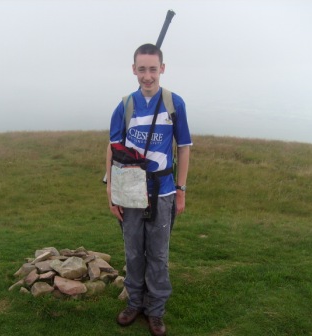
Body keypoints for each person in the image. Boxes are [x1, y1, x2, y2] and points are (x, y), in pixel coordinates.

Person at [105, 43, 192, 336]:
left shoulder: (173, 103)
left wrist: (180, 189)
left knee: (158, 254)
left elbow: (184, 148)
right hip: (129, 193)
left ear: (162, 69)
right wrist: (111, 193)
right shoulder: (125, 105)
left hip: (164, 191)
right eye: (141, 69)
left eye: (153, 69)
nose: (147, 76)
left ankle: (155, 311)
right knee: (133, 253)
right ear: (134, 70)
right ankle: (135, 303)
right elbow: (113, 149)